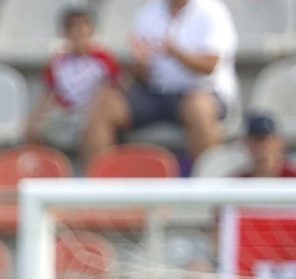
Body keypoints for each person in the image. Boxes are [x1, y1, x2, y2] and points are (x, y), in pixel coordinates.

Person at [82, 0, 237, 165]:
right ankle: (100, 179)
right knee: (105, 105)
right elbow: (139, 74)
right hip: (154, 93)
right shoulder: (148, 12)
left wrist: (175, 52)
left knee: (199, 109)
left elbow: (210, 66)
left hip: (201, 91)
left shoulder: (212, 11)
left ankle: (209, 178)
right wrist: (141, 65)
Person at [27, 6, 121, 152]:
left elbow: (114, 89)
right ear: (65, 32)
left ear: (91, 30)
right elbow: (48, 94)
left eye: (84, 26)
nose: (79, 31)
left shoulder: (104, 59)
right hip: (65, 114)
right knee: (32, 128)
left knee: (95, 128)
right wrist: (36, 118)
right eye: (73, 27)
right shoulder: (57, 62)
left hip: (92, 113)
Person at [237, 112, 296, 178]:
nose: (260, 145)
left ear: (279, 141)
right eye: (255, 140)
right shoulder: (238, 180)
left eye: (265, 139)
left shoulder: (292, 177)